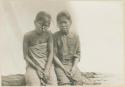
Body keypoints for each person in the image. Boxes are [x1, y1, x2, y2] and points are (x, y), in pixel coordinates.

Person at [23, 11, 57, 86]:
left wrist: (47, 69)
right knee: (34, 83)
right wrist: (37, 68)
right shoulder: (27, 36)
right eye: (41, 24)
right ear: (35, 22)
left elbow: (51, 53)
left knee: (53, 84)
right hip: (33, 66)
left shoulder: (49, 34)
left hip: (47, 65)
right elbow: (25, 56)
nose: (43, 28)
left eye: (46, 26)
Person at [53, 11, 83, 85]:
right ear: (57, 24)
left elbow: (77, 54)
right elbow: (54, 56)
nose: (63, 25)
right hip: (60, 66)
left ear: (70, 22)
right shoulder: (55, 36)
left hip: (72, 65)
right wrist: (64, 69)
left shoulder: (75, 36)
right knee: (65, 83)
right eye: (60, 23)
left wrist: (74, 68)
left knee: (78, 82)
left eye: (65, 22)